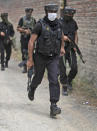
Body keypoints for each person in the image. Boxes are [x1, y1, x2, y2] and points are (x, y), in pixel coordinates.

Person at [27, 3, 65, 118]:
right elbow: (31, 42)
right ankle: (32, 88)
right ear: (46, 12)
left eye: (54, 11)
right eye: (50, 11)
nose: (53, 13)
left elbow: (62, 35)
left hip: (53, 57)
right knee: (38, 77)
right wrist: (30, 59)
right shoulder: (40, 25)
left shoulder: (59, 24)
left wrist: (62, 47)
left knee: (54, 79)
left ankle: (53, 105)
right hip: (40, 56)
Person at [59, 6, 78, 96]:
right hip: (61, 48)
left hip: (71, 48)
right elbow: (55, 34)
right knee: (62, 69)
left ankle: (69, 80)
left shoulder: (73, 22)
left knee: (74, 68)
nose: (70, 16)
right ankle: (64, 87)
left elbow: (76, 34)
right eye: (69, 14)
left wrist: (75, 44)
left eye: (72, 15)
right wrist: (64, 37)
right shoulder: (59, 22)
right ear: (65, 13)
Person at [17, 8, 36, 73]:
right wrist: (25, 30)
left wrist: (31, 31)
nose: (29, 13)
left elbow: (36, 29)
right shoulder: (22, 19)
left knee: (32, 53)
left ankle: (31, 68)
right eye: (28, 12)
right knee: (24, 53)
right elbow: (18, 28)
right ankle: (25, 67)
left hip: (31, 38)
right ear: (25, 12)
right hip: (24, 38)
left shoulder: (33, 20)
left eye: (30, 12)